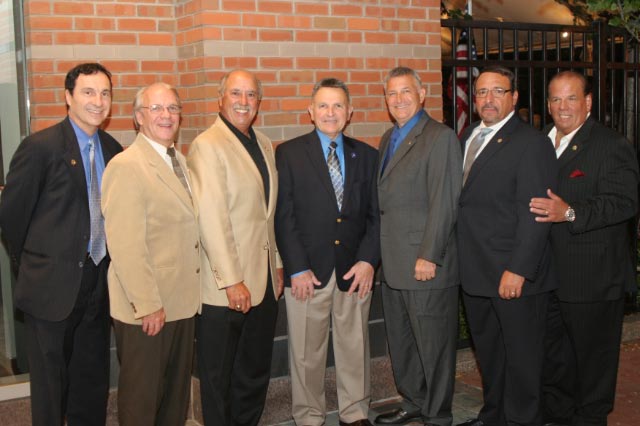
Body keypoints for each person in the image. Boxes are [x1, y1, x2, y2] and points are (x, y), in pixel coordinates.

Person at [0, 63, 121, 426]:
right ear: (68, 97)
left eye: (105, 93)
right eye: (88, 92)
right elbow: (12, 217)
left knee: (91, 383)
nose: (98, 101)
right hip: (50, 289)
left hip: (98, 285)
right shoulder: (40, 148)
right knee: (51, 391)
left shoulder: (114, 149)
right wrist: (36, 266)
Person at [530, 70, 639, 426]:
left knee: (593, 370)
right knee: (554, 365)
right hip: (546, 279)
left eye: (571, 98)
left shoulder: (610, 144)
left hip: (593, 280)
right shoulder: (538, 144)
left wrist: (570, 212)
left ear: (588, 102)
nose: (563, 107)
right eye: (556, 99)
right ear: (548, 104)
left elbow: (624, 202)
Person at [455, 66, 558, 426]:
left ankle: (523, 420)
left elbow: (536, 214)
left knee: (522, 362)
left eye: (498, 91)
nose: (488, 99)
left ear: (514, 97)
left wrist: (518, 269)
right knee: (490, 355)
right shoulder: (468, 135)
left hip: (512, 276)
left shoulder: (532, 143)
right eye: (482, 92)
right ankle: (494, 416)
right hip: (476, 273)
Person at [275, 78, 380, 426]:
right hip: (308, 272)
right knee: (306, 352)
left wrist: (368, 261)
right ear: (311, 111)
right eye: (323, 105)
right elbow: (284, 216)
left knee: (355, 347)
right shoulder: (289, 154)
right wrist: (296, 267)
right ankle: (309, 416)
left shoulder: (367, 156)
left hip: (354, 270)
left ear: (350, 112)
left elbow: (376, 215)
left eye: (338, 106)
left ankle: (355, 412)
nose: (330, 112)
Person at [101, 82, 200, 426]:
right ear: (138, 117)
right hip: (148, 309)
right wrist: (147, 304)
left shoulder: (180, 162)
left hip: (182, 302)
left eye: (173, 108)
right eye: (156, 108)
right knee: (142, 404)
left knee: (174, 402)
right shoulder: (127, 166)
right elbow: (125, 244)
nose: (166, 115)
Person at [188, 69, 283, 426]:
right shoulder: (207, 145)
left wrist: (277, 263)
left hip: (264, 281)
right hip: (227, 288)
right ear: (220, 99)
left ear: (259, 102)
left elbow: (267, 215)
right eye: (236, 93)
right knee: (219, 378)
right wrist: (232, 280)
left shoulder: (264, 143)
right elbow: (212, 218)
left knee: (253, 372)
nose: (244, 101)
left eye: (251, 94)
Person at [374, 66, 462, 426]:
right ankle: (414, 401)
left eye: (406, 91)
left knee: (434, 347)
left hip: (424, 264)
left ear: (422, 95)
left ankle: (438, 415)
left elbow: (445, 201)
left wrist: (429, 255)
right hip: (393, 264)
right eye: (392, 93)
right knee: (403, 342)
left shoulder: (440, 137)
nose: (399, 100)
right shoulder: (388, 138)